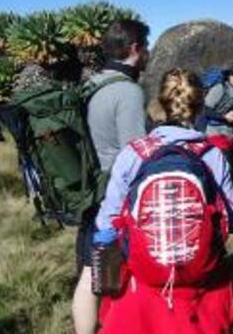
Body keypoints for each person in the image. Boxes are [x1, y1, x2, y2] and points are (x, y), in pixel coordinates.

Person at [94, 69, 233, 334]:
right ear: (199, 108)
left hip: (143, 278)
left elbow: (106, 223)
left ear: (161, 103)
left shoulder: (134, 153)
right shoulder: (211, 154)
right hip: (202, 278)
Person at [73, 18, 150, 334]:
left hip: (87, 189)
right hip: (112, 196)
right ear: (134, 49)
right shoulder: (127, 91)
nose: (147, 54)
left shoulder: (92, 83)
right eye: (145, 47)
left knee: (88, 273)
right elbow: (135, 154)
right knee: (102, 275)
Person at [201, 63, 233, 179]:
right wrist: (224, 117)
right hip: (216, 135)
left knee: (231, 172)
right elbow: (205, 110)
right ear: (229, 76)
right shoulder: (220, 89)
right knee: (223, 171)